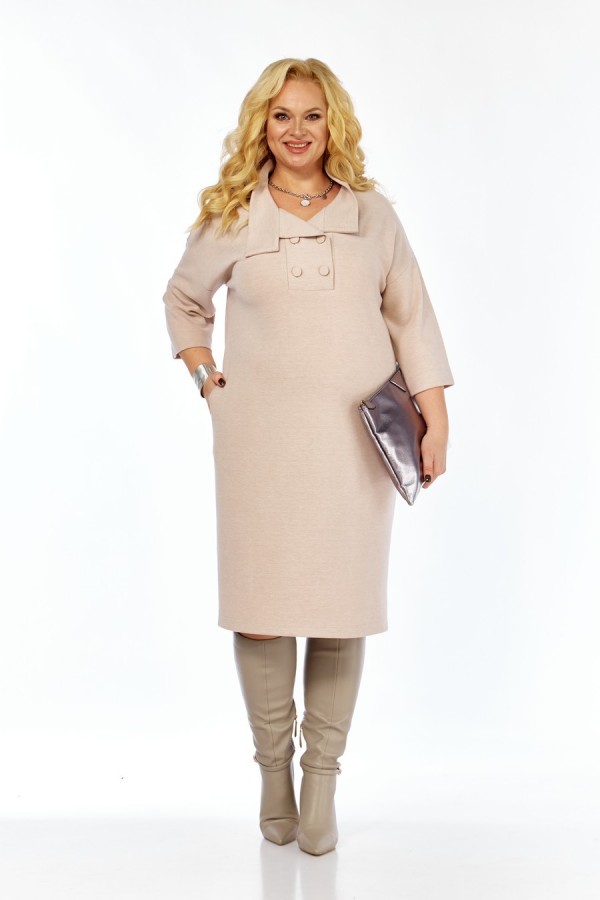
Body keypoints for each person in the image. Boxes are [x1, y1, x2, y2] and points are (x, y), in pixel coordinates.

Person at [162, 57, 455, 856]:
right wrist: (206, 377)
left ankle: (321, 780)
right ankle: (273, 774)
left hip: (353, 446)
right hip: (258, 443)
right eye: (282, 115)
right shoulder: (234, 214)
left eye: (313, 115)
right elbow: (183, 299)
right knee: (262, 606)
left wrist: (435, 415)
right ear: (263, 123)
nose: (297, 130)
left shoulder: (373, 217)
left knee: (339, 605)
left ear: (335, 126)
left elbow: (412, 318)